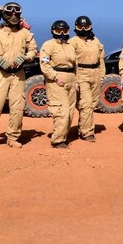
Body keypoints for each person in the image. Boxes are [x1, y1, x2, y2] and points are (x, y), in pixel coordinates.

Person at [0, 2, 38, 148]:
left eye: (16, 14)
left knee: (17, 108)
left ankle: (13, 137)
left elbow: (33, 50)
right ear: (4, 15)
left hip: (18, 75)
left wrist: (25, 57)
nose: (13, 16)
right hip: (0, 74)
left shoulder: (25, 33)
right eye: (10, 13)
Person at [38, 20, 77, 149]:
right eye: (58, 31)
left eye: (64, 31)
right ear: (52, 31)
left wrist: (76, 80)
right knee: (62, 110)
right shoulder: (48, 45)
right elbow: (44, 64)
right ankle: (58, 139)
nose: (61, 33)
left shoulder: (70, 46)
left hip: (71, 78)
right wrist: (55, 77)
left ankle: (64, 134)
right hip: (56, 80)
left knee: (71, 110)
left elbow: (75, 65)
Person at [70, 15, 105, 142]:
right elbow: (71, 63)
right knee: (86, 104)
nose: (83, 29)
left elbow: (101, 59)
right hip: (82, 73)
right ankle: (87, 132)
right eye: (80, 26)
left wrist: (101, 76)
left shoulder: (95, 40)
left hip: (95, 73)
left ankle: (82, 127)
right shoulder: (73, 42)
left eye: (86, 26)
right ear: (76, 27)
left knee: (93, 103)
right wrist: (75, 79)